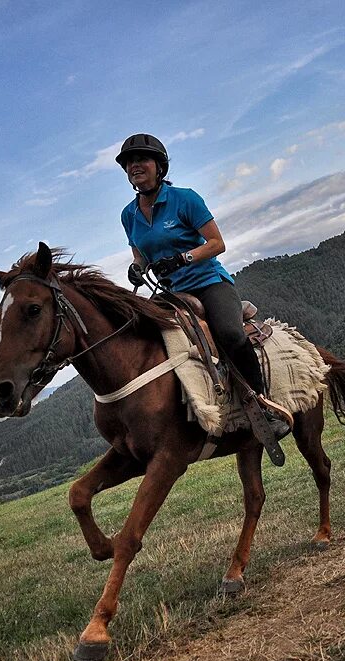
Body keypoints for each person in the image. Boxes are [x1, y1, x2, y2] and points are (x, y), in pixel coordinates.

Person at [115, 133, 292, 442]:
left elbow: (216, 243)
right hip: (171, 294)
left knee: (230, 333)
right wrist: (136, 269)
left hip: (208, 282)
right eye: (129, 163)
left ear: (160, 166)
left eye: (141, 160)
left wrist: (183, 258)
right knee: (149, 341)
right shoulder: (128, 214)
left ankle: (264, 406)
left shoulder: (185, 199)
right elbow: (140, 255)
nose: (135, 166)